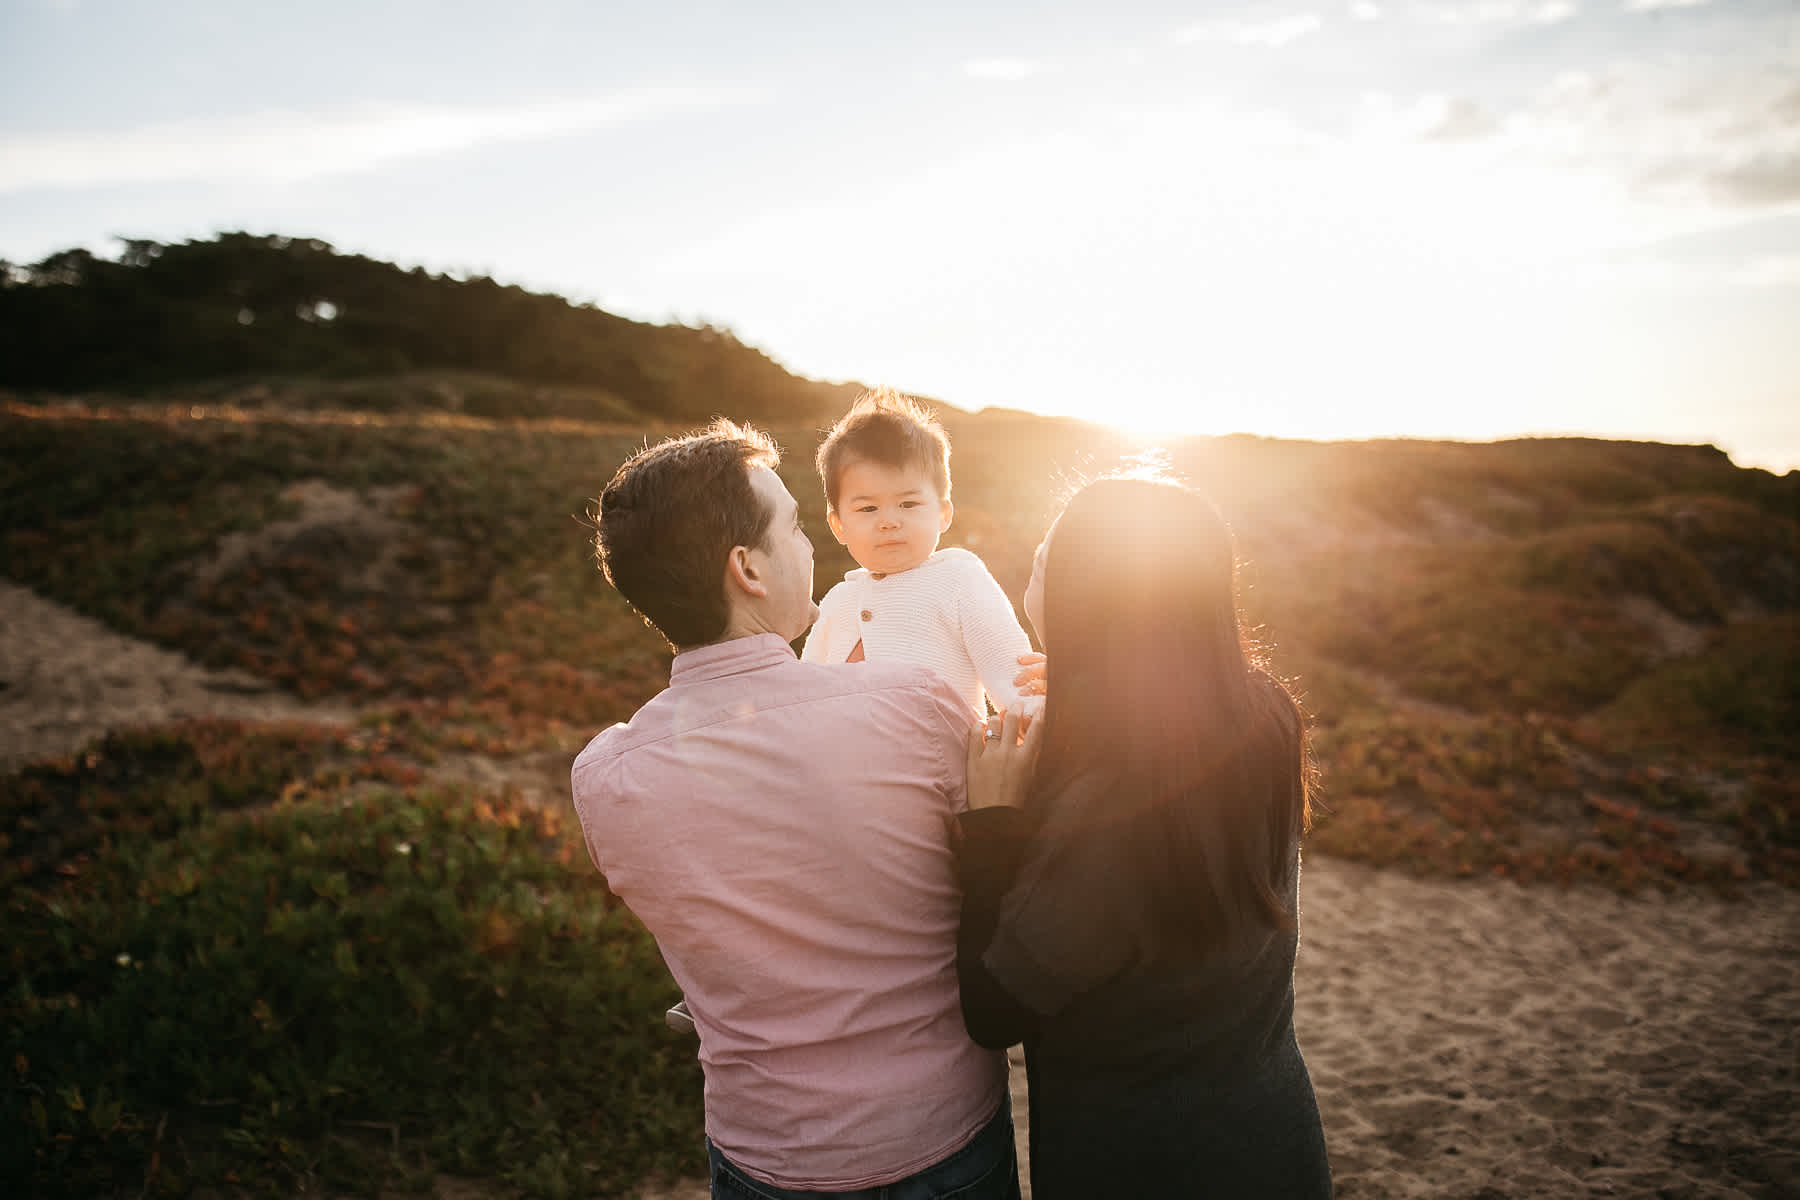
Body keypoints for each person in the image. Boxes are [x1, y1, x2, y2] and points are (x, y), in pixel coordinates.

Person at [570, 419, 1020, 1200]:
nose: (814, 547)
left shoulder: (604, 773)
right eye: (795, 527)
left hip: (760, 1154)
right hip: (940, 1139)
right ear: (746, 568)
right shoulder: (916, 705)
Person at [954, 474, 1333, 1198]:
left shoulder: (1110, 815)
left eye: (1045, 560)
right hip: (1272, 1138)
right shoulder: (1265, 715)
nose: (1034, 566)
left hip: (1142, 1160)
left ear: (1085, 603)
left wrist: (994, 824)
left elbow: (992, 1007)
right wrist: (1083, 678)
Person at [801, 389, 1038, 721]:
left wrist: (1030, 716)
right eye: (868, 508)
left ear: (943, 513)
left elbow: (1014, 677)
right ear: (838, 525)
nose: (889, 521)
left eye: (908, 504)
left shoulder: (960, 580)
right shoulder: (838, 602)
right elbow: (802, 696)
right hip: (843, 769)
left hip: (944, 768)